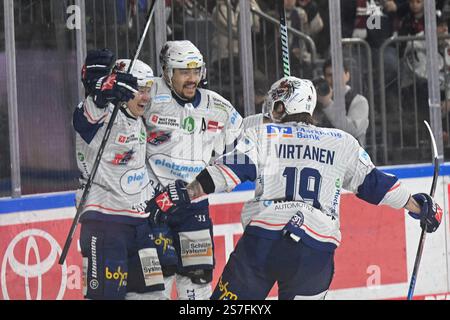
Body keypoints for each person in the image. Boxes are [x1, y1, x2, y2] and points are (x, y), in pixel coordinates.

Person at [145, 76, 443, 300]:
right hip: (316, 247)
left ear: (282, 105)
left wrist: (183, 193)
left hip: (264, 241)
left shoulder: (264, 134)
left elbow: (227, 171)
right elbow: (377, 186)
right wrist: (421, 207)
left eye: (274, 102)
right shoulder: (341, 142)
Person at [143, 40, 243, 300]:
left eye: (196, 71)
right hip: (154, 205)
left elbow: (244, 144)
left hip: (193, 205)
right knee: (157, 281)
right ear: (167, 72)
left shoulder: (218, 107)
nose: (192, 78)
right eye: (184, 72)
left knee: (197, 278)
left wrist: (274, 120)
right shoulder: (149, 94)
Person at [73, 52, 165, 300]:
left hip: (140, 224)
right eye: (139, 90)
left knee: (154, 296)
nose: (146, 96)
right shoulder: (103, 113)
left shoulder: (137, 118)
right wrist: (104, 92)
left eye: (148, 89)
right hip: (105, 223)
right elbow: (83, 119)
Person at [314, 58, 370, 147]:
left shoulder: (359, 101)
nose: (334, 78)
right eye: (330, 75)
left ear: (347, 75)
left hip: (349, 156)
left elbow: (351, 131)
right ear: (325, 78)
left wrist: (327, 104)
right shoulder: (317, 99)